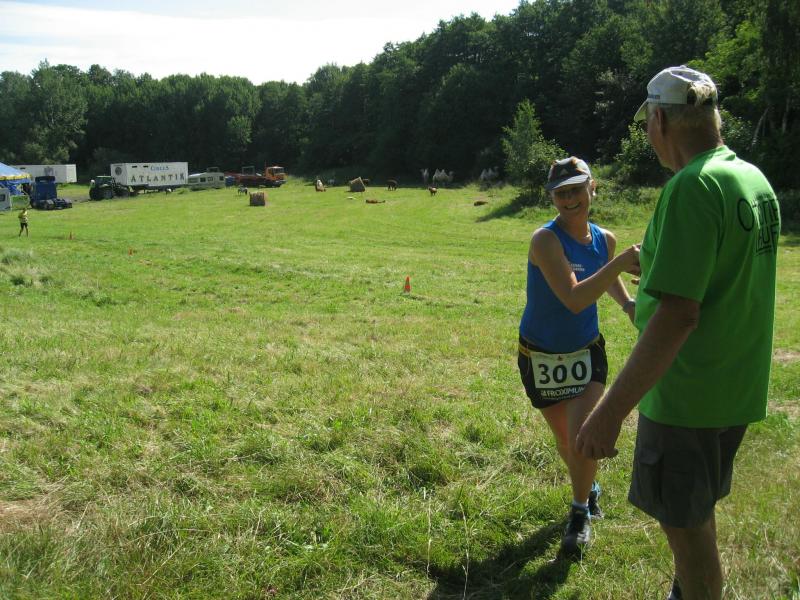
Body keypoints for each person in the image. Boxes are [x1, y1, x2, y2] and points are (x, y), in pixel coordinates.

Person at [576, 66, 780, 600]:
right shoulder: (751, 180)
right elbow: (723, 277)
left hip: (687, 398)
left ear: (660, 121)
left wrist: (608, 412)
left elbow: (678, 316)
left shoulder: (692, 186)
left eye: (647, 123)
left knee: (686, 529)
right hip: (735, 389)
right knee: (696, 510)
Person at [517, 156, 640, 556]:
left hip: (586, 350)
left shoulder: (605, 239)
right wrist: (618, 265)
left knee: (582, 437)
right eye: (561, 193)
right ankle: (590, 487)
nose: (570, 200)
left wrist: (627, 304)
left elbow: (605, 279)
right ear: (552, 198)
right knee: (566, 440)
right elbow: (573, 297)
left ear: (592, 187)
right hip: (540, 355)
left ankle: (579, 512)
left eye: (576, 190)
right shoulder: (545, 241)